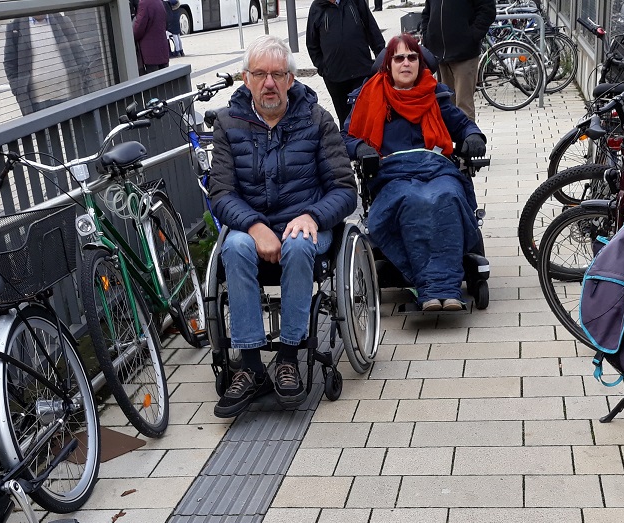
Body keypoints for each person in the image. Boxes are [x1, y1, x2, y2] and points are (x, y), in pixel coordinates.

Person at [207, 35, 357, 418]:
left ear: (291, 79)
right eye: (260, 74)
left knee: (298, 243)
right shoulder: (227, 123)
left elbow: (344, 190)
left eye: (277, 74)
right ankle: (252, 366)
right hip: (252, 227)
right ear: (246, 78)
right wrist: (254, 225)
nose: (268, 83)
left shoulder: (317, 120)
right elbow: (221, 193)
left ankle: (289, 356)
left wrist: (312, 216)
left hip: (306, 223)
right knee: (236, 247)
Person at [344, 34, 485, 311]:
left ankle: (442, 288)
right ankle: (434, 288)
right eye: (399, 58)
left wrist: (473, 136)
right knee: (412, 201)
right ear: (388, 64)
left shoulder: (436, 96)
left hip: (436, 168)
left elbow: (463, 125)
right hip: (393, 174)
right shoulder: (370, 97)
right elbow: (345, 136)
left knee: (446, 196)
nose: (406, 63)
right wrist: (361, 148)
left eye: (412, 57)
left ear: (421, 64)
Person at [305, 0, 385, 127]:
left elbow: (372, 30)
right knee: (345, 120)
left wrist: (382, 58)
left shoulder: (355, 2)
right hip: (335, 77)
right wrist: (323, 68)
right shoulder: (317, 7)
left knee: (366, 117)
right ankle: (348, 145)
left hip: (361, 72)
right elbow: (312, 44)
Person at [418, 0, 495, 121]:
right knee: (445, 105)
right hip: (439, 54)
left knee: (464, 106)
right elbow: (427, 12)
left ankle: (467, 139)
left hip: (464, 54)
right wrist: (427, 35)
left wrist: (472, 36)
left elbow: (487, 10)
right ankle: (447, 139)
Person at [4, 13, 92, 115]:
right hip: (37, 102)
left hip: (69, 95)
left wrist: (84, 83)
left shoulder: (62, 21)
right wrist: (18, 92)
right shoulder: (15, 27)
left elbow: (80, 54)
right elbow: (10, 63)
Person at [133, 0, 170, 74]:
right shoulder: (159, 2)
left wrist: (130, 36)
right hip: (162, 50)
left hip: (150, 53)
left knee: (154, 81)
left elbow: (139, 28)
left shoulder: (144, 3)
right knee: (165, 80)